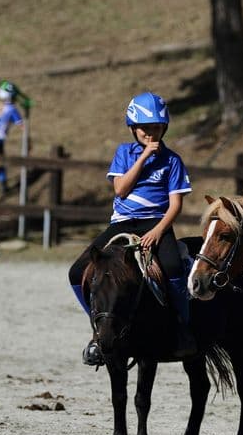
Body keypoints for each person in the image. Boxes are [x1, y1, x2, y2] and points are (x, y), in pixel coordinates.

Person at [68, 92, 196, 366]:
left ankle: (181, 328)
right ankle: (98, 331)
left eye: (157, 128)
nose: (152, 134)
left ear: (165, 128)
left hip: (156, 224)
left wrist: (158, 231)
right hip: (121, 223)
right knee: (76, 272)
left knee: (173, 269)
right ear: (133, 128)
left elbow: (175, 205)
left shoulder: (173, 161)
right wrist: (143, 158)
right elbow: (121, 189)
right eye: (145, 128)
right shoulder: (123, 153)